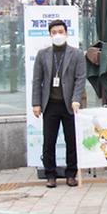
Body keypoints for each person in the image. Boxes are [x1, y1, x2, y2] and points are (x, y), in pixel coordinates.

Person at [32, 19, 87, 188]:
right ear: (50, 34)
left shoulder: (76, 54)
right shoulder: (43, 54)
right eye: (54, 32)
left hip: (70, 104)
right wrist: (36, 103)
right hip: (50, 104)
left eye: (60, 31)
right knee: (49, 141)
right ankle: (51, 174)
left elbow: (80, 78)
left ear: (66, 33)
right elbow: (37, 80)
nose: (57, 35)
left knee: (72, 140)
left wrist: (76, 99)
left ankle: (71, 174)